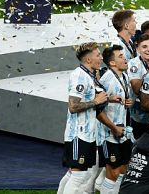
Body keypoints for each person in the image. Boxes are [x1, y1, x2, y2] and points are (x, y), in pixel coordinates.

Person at [57, 42, 109, 194]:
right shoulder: (79, 76)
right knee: (79, 176)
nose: (101, 57)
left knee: (74, 174)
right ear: (88, 60)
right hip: (78, 134)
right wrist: (96, 101)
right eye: (98, 55)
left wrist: (109, 99)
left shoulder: (88, 75)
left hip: (87, 134)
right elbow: (73, 106)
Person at [97, 45, 135, 194]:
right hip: (109, 134)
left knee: (123, 170)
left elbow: (118, 98)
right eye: (120, 56)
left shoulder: (123, 76)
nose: (125, 58)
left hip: (122, 131)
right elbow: (98, 109)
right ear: (112, 63)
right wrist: (113, 127)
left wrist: (127, 102)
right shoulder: (107, 79)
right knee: (112, 172)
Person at [128, 34, 149, 139]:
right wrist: (148, 72)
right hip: (140, 115)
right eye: (144, 47)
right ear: (138, 49)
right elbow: (136, 89)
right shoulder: (133, 64)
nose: (148, 50)